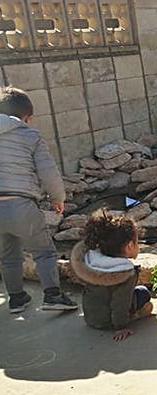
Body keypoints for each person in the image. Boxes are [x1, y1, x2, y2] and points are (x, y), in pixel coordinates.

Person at [0, 86, 77, 314]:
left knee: (7, 255)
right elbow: (49, 172)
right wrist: (58, 198)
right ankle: (53, 295)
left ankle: (16, 298)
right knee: (44, 251)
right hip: (21, 203)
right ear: (26, 116)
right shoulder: (29, 135)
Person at [69, 210, 152, 342]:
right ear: (130, 246)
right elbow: (120, 302)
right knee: (144, 292)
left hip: (91, 317)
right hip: (109, 321)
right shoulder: (125, 272)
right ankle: (137, 314)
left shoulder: (89, 260)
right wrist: (121, 327)